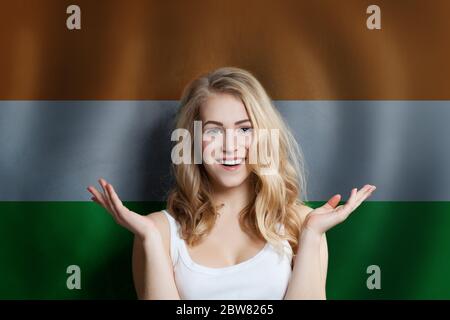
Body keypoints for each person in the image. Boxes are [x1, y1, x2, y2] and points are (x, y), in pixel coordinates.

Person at [87, 67, 376, 299]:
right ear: (193, 141)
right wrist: (149, 239)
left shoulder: (302, 223)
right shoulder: (157, 231)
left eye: (244, 129)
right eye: (213, 131)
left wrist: (311, 236)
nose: (230, 145)